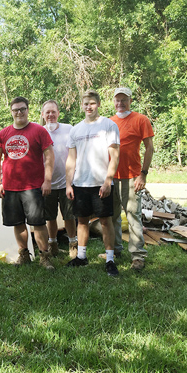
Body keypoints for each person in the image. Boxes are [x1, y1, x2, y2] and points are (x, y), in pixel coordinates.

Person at [0, 96, 55, 270]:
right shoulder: (3, 134)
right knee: (17, 222)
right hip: (10, 187)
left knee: (38, 223)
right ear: (11, 112)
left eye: (22, 109)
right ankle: (24, 254)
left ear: (28, 110)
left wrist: (47, 180)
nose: (19, 112)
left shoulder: (39, 131)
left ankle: (44, 256)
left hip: (33, 186)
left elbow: (49, 156)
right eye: (15, 110)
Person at [65, 90, 120, 276]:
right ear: (82, 105)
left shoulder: (109, 125)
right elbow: (71, 159)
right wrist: (68, 184)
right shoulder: (76, 129)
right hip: (80, 183)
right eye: (86, 103)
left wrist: (108, 181)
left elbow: (115, 156)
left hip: (101, 183)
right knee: (81, 221)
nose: (89, 107)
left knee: (105, 221)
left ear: (98, 104)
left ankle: (110, 260)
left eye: (92, 103)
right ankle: (81, 257)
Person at [108, 87, 154, 271]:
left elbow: (149, 148)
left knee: (133, 216)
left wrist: (143, 173)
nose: (120, 103)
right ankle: (115, 250)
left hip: (132, 176)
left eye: (124, 100)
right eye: (117, 100)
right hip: (111, 177)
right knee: (112, 217)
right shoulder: (109, 122)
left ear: (130, 101)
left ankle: (137, 255)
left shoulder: (141, 120)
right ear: (113, 102)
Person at [40, 100, 78, 258]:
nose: (50, 115)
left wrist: (72, 180)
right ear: (42, 115)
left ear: (58, 113)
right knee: (50, 217)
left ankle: (73, 245)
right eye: (47, 112)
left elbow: (74, 153)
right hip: (46, 183)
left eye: (53, 112)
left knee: (69, 216)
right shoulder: (39, 131)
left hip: (66, 182)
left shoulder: (69, 129)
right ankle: (53, 244)